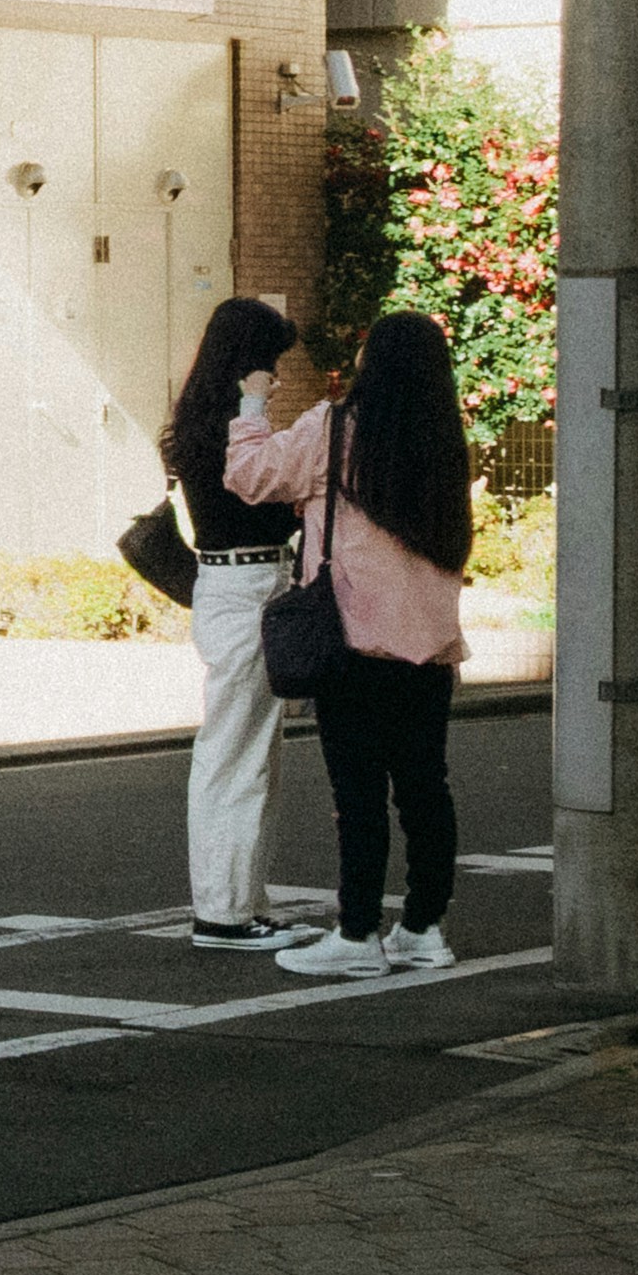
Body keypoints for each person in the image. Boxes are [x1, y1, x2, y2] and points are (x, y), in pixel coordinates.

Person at [227, 311, 476, 978]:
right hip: (429, 650)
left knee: (359, 795)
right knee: (425, 790)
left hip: (353, 644)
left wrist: (253, 400)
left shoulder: (336, 429)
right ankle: (423, 928)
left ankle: (359, 932)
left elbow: (250, 474)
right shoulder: (445, 445)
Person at [164, 298, 317, 952]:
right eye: (269, 365)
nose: (276, 378)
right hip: (245, 584)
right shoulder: (227, 429)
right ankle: (224, 913)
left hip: (237, 583)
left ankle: (242, 903)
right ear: (244, 363)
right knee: (237, 756)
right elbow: (256, 495)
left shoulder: (195, 423)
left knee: (247, 753)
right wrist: (255, 409)